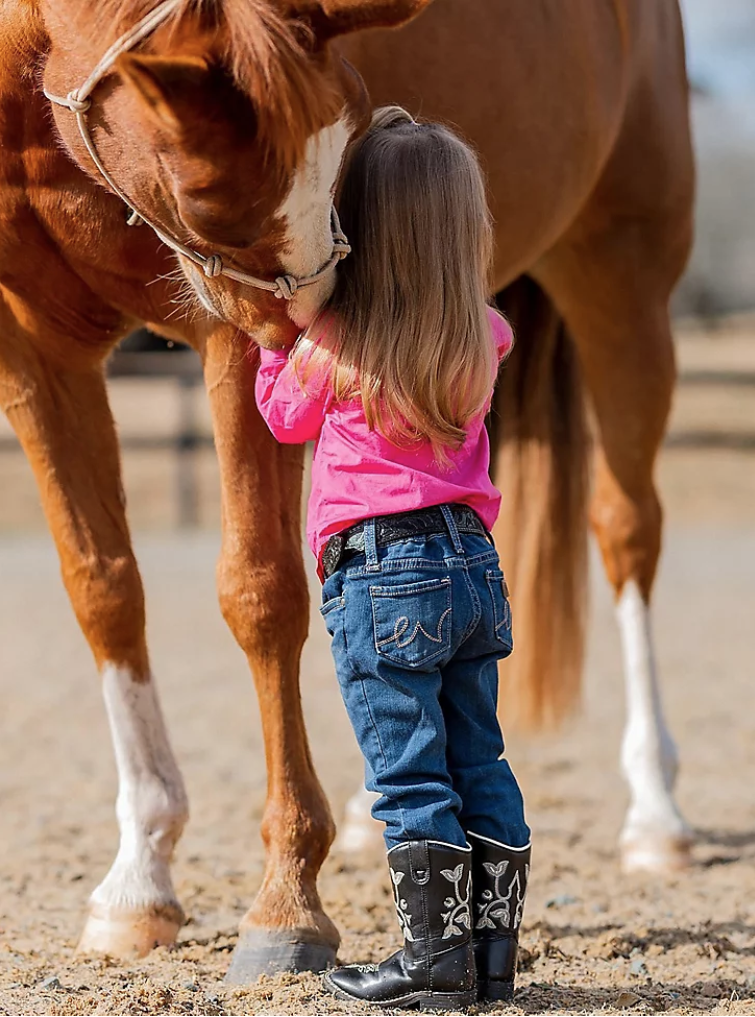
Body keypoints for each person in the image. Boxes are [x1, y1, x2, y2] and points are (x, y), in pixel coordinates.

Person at [255, 106, 531, 1011]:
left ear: (356, 226)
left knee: (407, 770)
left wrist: (277, 338)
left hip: (381, 574)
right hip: (473, 565)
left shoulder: (336, 343)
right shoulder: (484, 333)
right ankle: (490, 958)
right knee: (478, 758)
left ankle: (431, 963)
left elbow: (281, 419)